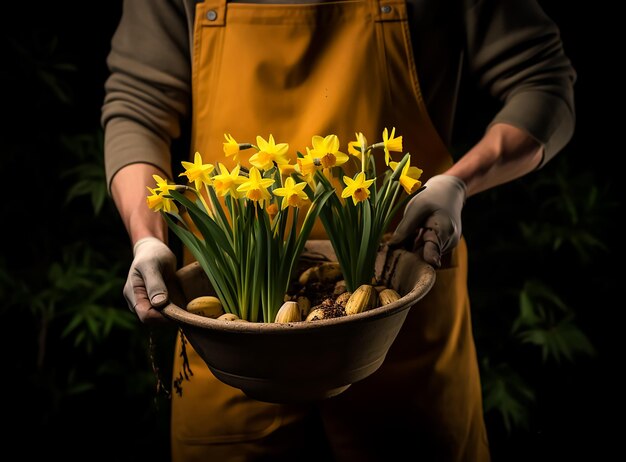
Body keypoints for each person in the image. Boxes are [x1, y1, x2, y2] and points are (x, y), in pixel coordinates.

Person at [101, 0, 575, 460]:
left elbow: (544, 82)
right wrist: (148, 237)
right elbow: (138, 105)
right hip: (231, 329)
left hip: (401, 316)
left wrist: (457, 183)